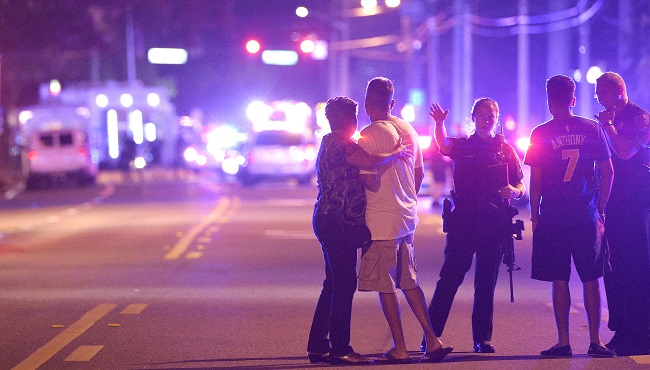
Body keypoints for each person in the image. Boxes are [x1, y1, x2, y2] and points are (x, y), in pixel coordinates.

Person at [307, 96, 410, 365]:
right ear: (350, 120)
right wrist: (396, 153)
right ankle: (340, 348)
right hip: (339, 223)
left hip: (326, 219)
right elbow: (371, 160)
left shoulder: (327, 141)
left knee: (331, 284)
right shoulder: (343, 145)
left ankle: (318, 344)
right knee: (344, 284)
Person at [356, 77, 453, 364]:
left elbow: (367, 178)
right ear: (392, 103)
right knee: (409, 282)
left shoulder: (368, 134)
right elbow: (419, 173)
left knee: (386, 286)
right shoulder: (409, 130)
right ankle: (432, 340)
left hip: (380, 220)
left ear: (366, 103)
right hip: (407, 217)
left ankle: (399, 347)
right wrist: (406, 194)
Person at [424, 98, 525, 354]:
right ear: (473, 118)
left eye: (492, 113)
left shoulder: (506, 150)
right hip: (465, 221)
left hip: (493, 223)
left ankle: (482, 339)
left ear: (497, 117)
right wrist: (439, 124)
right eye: (482, 114)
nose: (487, 118)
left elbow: (520, 185)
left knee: (485, 283)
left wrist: (513, 191)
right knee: (449, 279)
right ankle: (430, 337)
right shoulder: (463, 146)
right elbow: (443, 145)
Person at [525, 75, 615, 358]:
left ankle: (563, 342)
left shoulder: (539, 133)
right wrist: (600, 209)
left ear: (550, 102)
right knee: (591, 278)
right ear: (573, 100)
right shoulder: (592, 128)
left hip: (553, 216)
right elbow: (608, 171)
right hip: (586, 215)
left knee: (559, 279)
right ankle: (595, 341)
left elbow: (535, 178)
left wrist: (535, 213)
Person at [594, 72, 650, 356]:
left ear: (617, 91)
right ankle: (621, 328)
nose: (599, 101)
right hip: (613, 202)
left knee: (637, 267)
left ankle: (641, 332)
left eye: (601, 94)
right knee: (613, 268)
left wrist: (610, 128)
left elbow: (627, 152)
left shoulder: (639, 118)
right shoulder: (607, 121)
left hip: (636, 202)